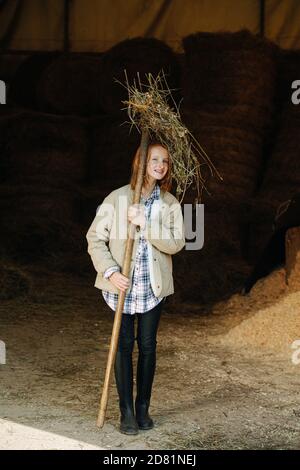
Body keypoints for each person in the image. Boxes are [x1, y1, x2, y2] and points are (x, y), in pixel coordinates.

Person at [86, 140, 185, 435]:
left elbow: (177, 242)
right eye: (154, 159)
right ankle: (125, 411)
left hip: (151, 287)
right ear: (140, 162)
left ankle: (143, 408)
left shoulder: (169, 204)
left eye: (165, 161)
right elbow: (94, 239)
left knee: (148, 345)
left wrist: (146, 223)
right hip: (123, 286)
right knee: (123, 345)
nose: (160, 165)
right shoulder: (117, 199)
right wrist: (111, 271)